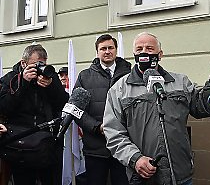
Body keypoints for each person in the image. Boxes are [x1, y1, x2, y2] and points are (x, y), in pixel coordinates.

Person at [103, 32, 210, 185]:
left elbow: (202, 107)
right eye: (139, 49)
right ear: (134, 54)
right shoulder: (119, 90)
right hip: (145, 177)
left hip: (180, 173)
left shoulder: (180, 82)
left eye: (149, 48)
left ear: (160, 54)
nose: (144, 52)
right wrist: (135, 158)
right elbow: (113, 133)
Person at [0, 44, 69, 185]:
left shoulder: (50, 77)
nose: (39, 68)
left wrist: (51, 86)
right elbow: (4, 107)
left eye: (42, 64)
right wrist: (23, 82)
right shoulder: (11, 79)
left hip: (47, 144)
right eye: (34, 65)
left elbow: (62, 103)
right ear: (23, 63)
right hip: (20, 144)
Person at [74, 34, 131, 185]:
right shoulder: (85, 77)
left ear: (116, 50)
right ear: (97, 52)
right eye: (103, 48)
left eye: (110, 48)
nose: (107, 51)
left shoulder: (130, 74)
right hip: (96, 148)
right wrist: (96, 127)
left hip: (124, 146)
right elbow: (75, 109)